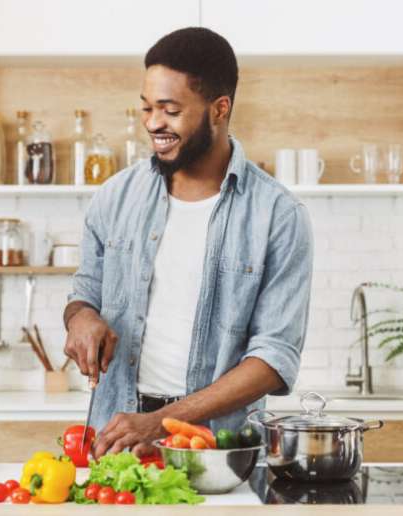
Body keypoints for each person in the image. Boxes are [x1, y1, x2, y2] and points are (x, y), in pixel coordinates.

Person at [63, 27, 313, 457]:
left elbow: (274, 358)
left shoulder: (279, 216)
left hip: (218, 448)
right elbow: (84, 292)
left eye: (170, 110)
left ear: (219, 109)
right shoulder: (115, 196)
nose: (153, 123)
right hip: (117, 436)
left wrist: (161, 422)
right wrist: (81, 318)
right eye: (146, 108)